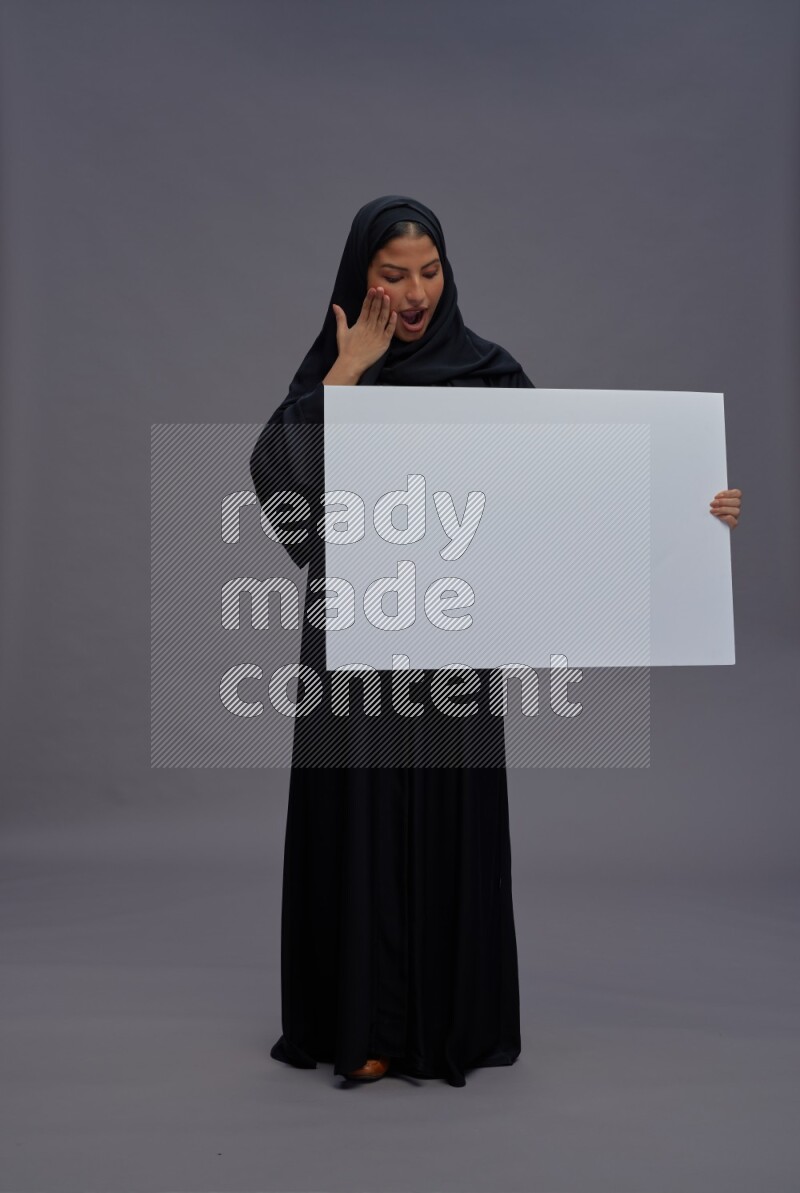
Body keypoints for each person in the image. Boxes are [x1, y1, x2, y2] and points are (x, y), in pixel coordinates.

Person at [250, 195, 743, 1088]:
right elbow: (281, 491)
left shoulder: (489, 375)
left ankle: (447, 1025)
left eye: (429, 271)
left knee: (447, 815)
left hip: (452, 650)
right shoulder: (334, 373)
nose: (414, 292)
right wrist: (345, 378)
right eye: (392, 274)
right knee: (357, 820)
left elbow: (564, 499)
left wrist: (691, 509)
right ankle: (363, 1024)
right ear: (360, 279)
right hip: (355, 650)